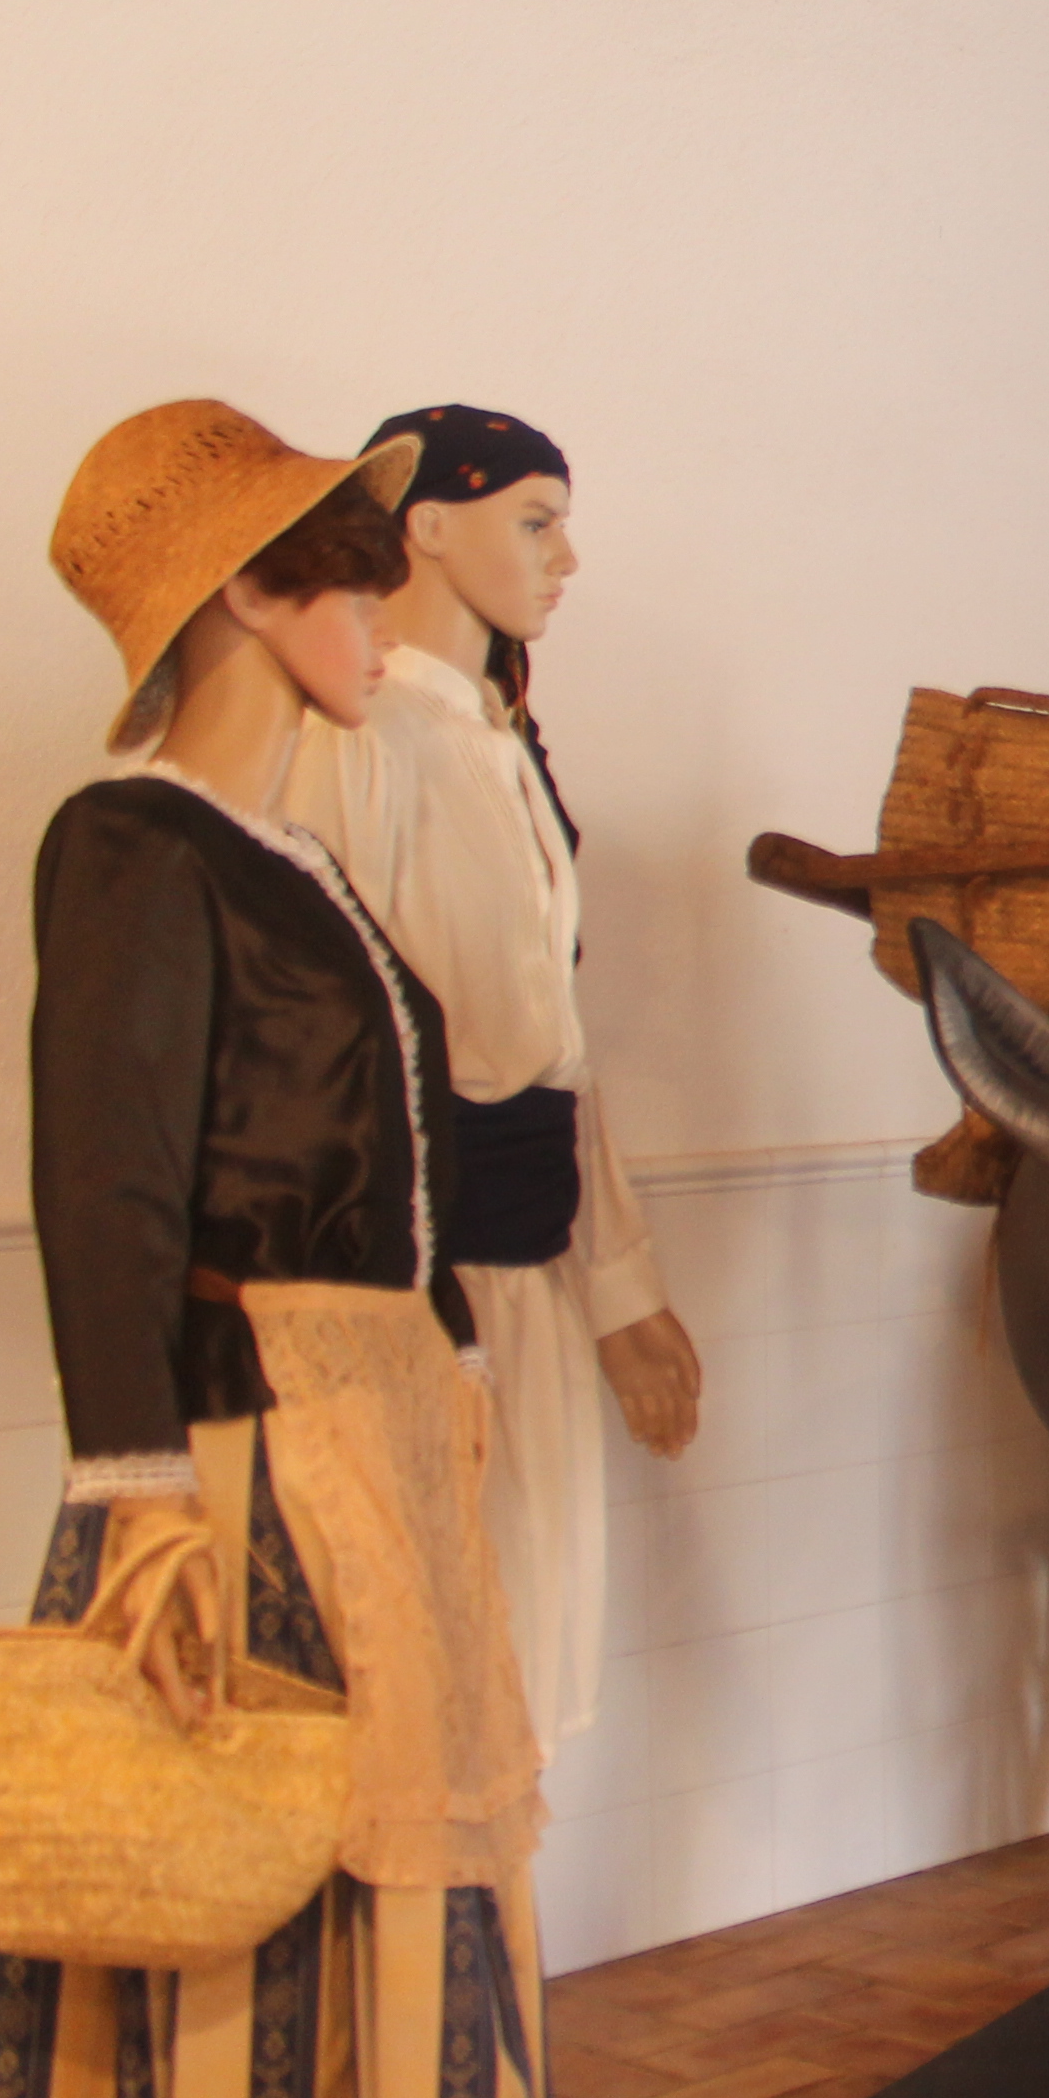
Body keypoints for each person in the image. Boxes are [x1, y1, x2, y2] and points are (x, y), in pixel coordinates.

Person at [6, 399, 556, 2098]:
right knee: (245, 1898)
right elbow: (107, 1175)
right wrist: (138, 1486)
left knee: (407, 1911)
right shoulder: (133, 841)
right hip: (243, 1468)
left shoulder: (287, 847)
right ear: (248, 588)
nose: (387, 597)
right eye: (346, 562)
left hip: (369, 1436)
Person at [286, 406, 701, 1763]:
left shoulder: (496, 740)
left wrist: (619, 1290)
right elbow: (341, 1037)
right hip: (421, 1285)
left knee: (523, 1642)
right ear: (427, 523)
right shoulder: (361, 738)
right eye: (536, 519)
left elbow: (553, 1046)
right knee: (430, 1658)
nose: (564, 556)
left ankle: (495, 1964)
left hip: (528, 1260)